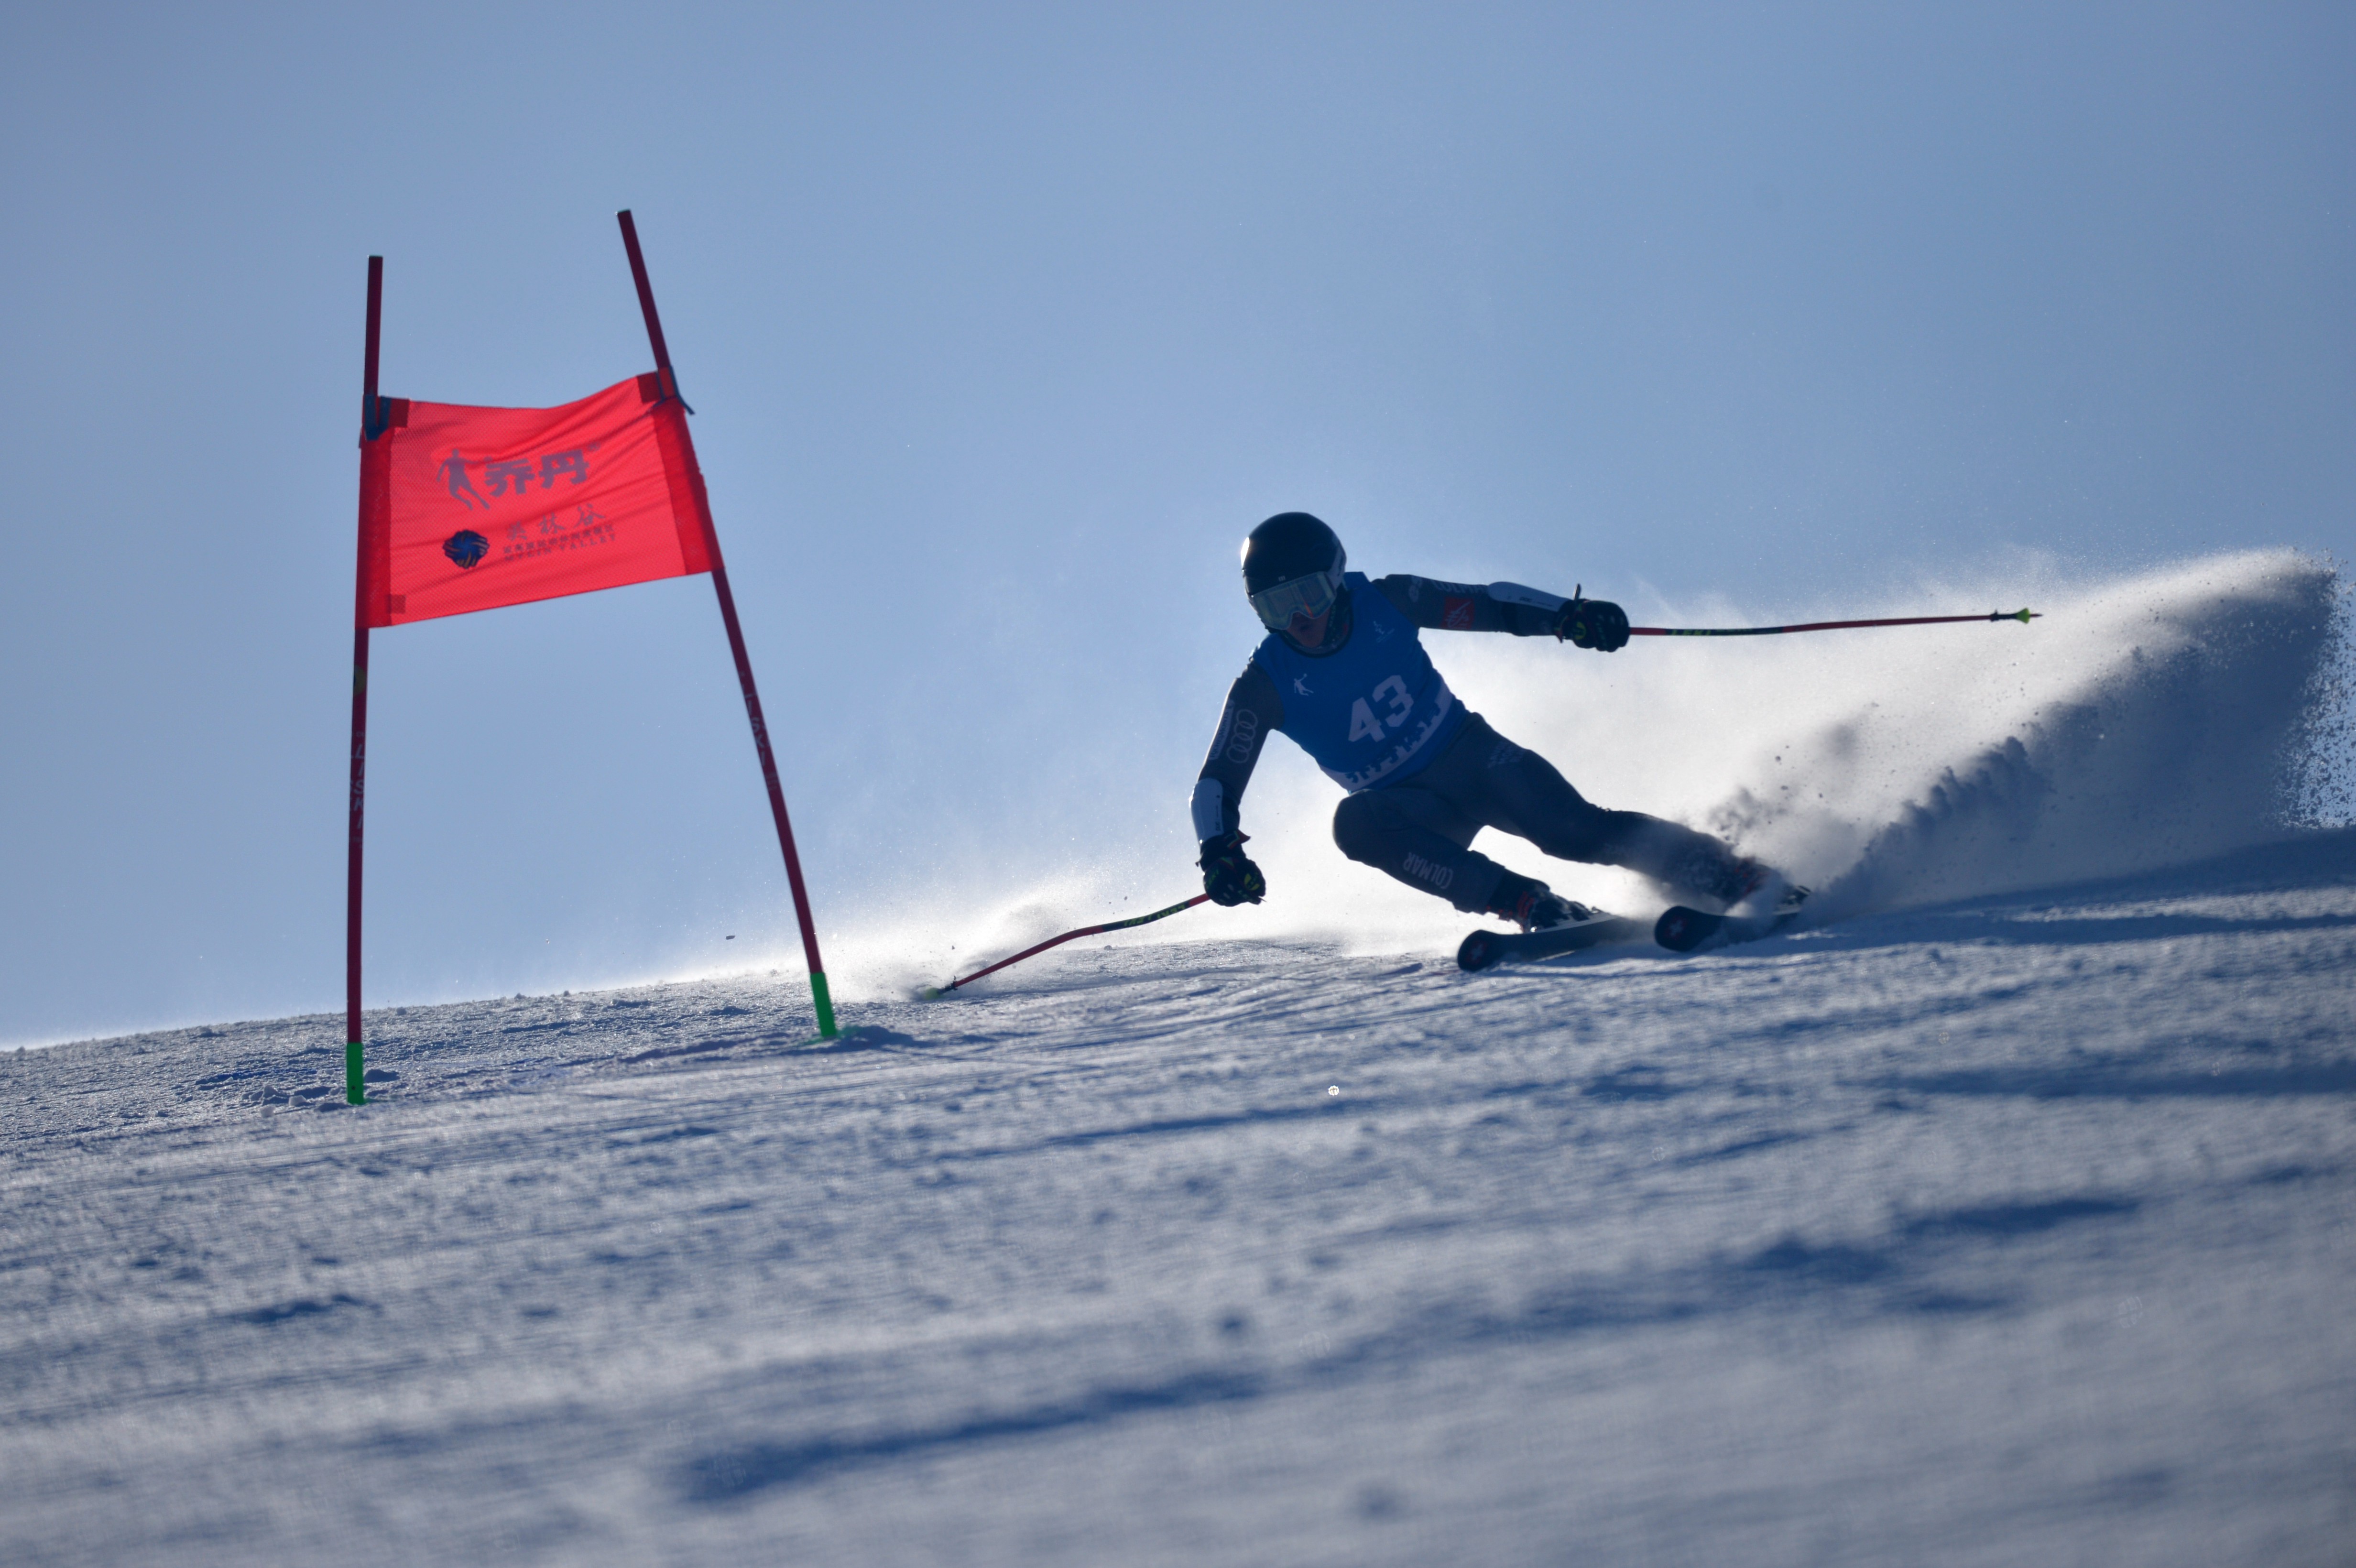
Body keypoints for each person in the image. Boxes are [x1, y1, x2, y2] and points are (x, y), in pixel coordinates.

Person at [1191, 512, 1797, 932]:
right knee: (1354, 826)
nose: (1298, 620)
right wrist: (1218, 851)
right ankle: (1527, 903)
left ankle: (1732, 875)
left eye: (1308, 597)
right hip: (1412, 811)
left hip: (1474, 760)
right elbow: (1218, 780)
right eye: (1274, 608)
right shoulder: (1262, 686)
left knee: (1574, 831)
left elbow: (1488, 603)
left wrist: (1568, 617)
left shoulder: (1389, 600)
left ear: (1334, 580)